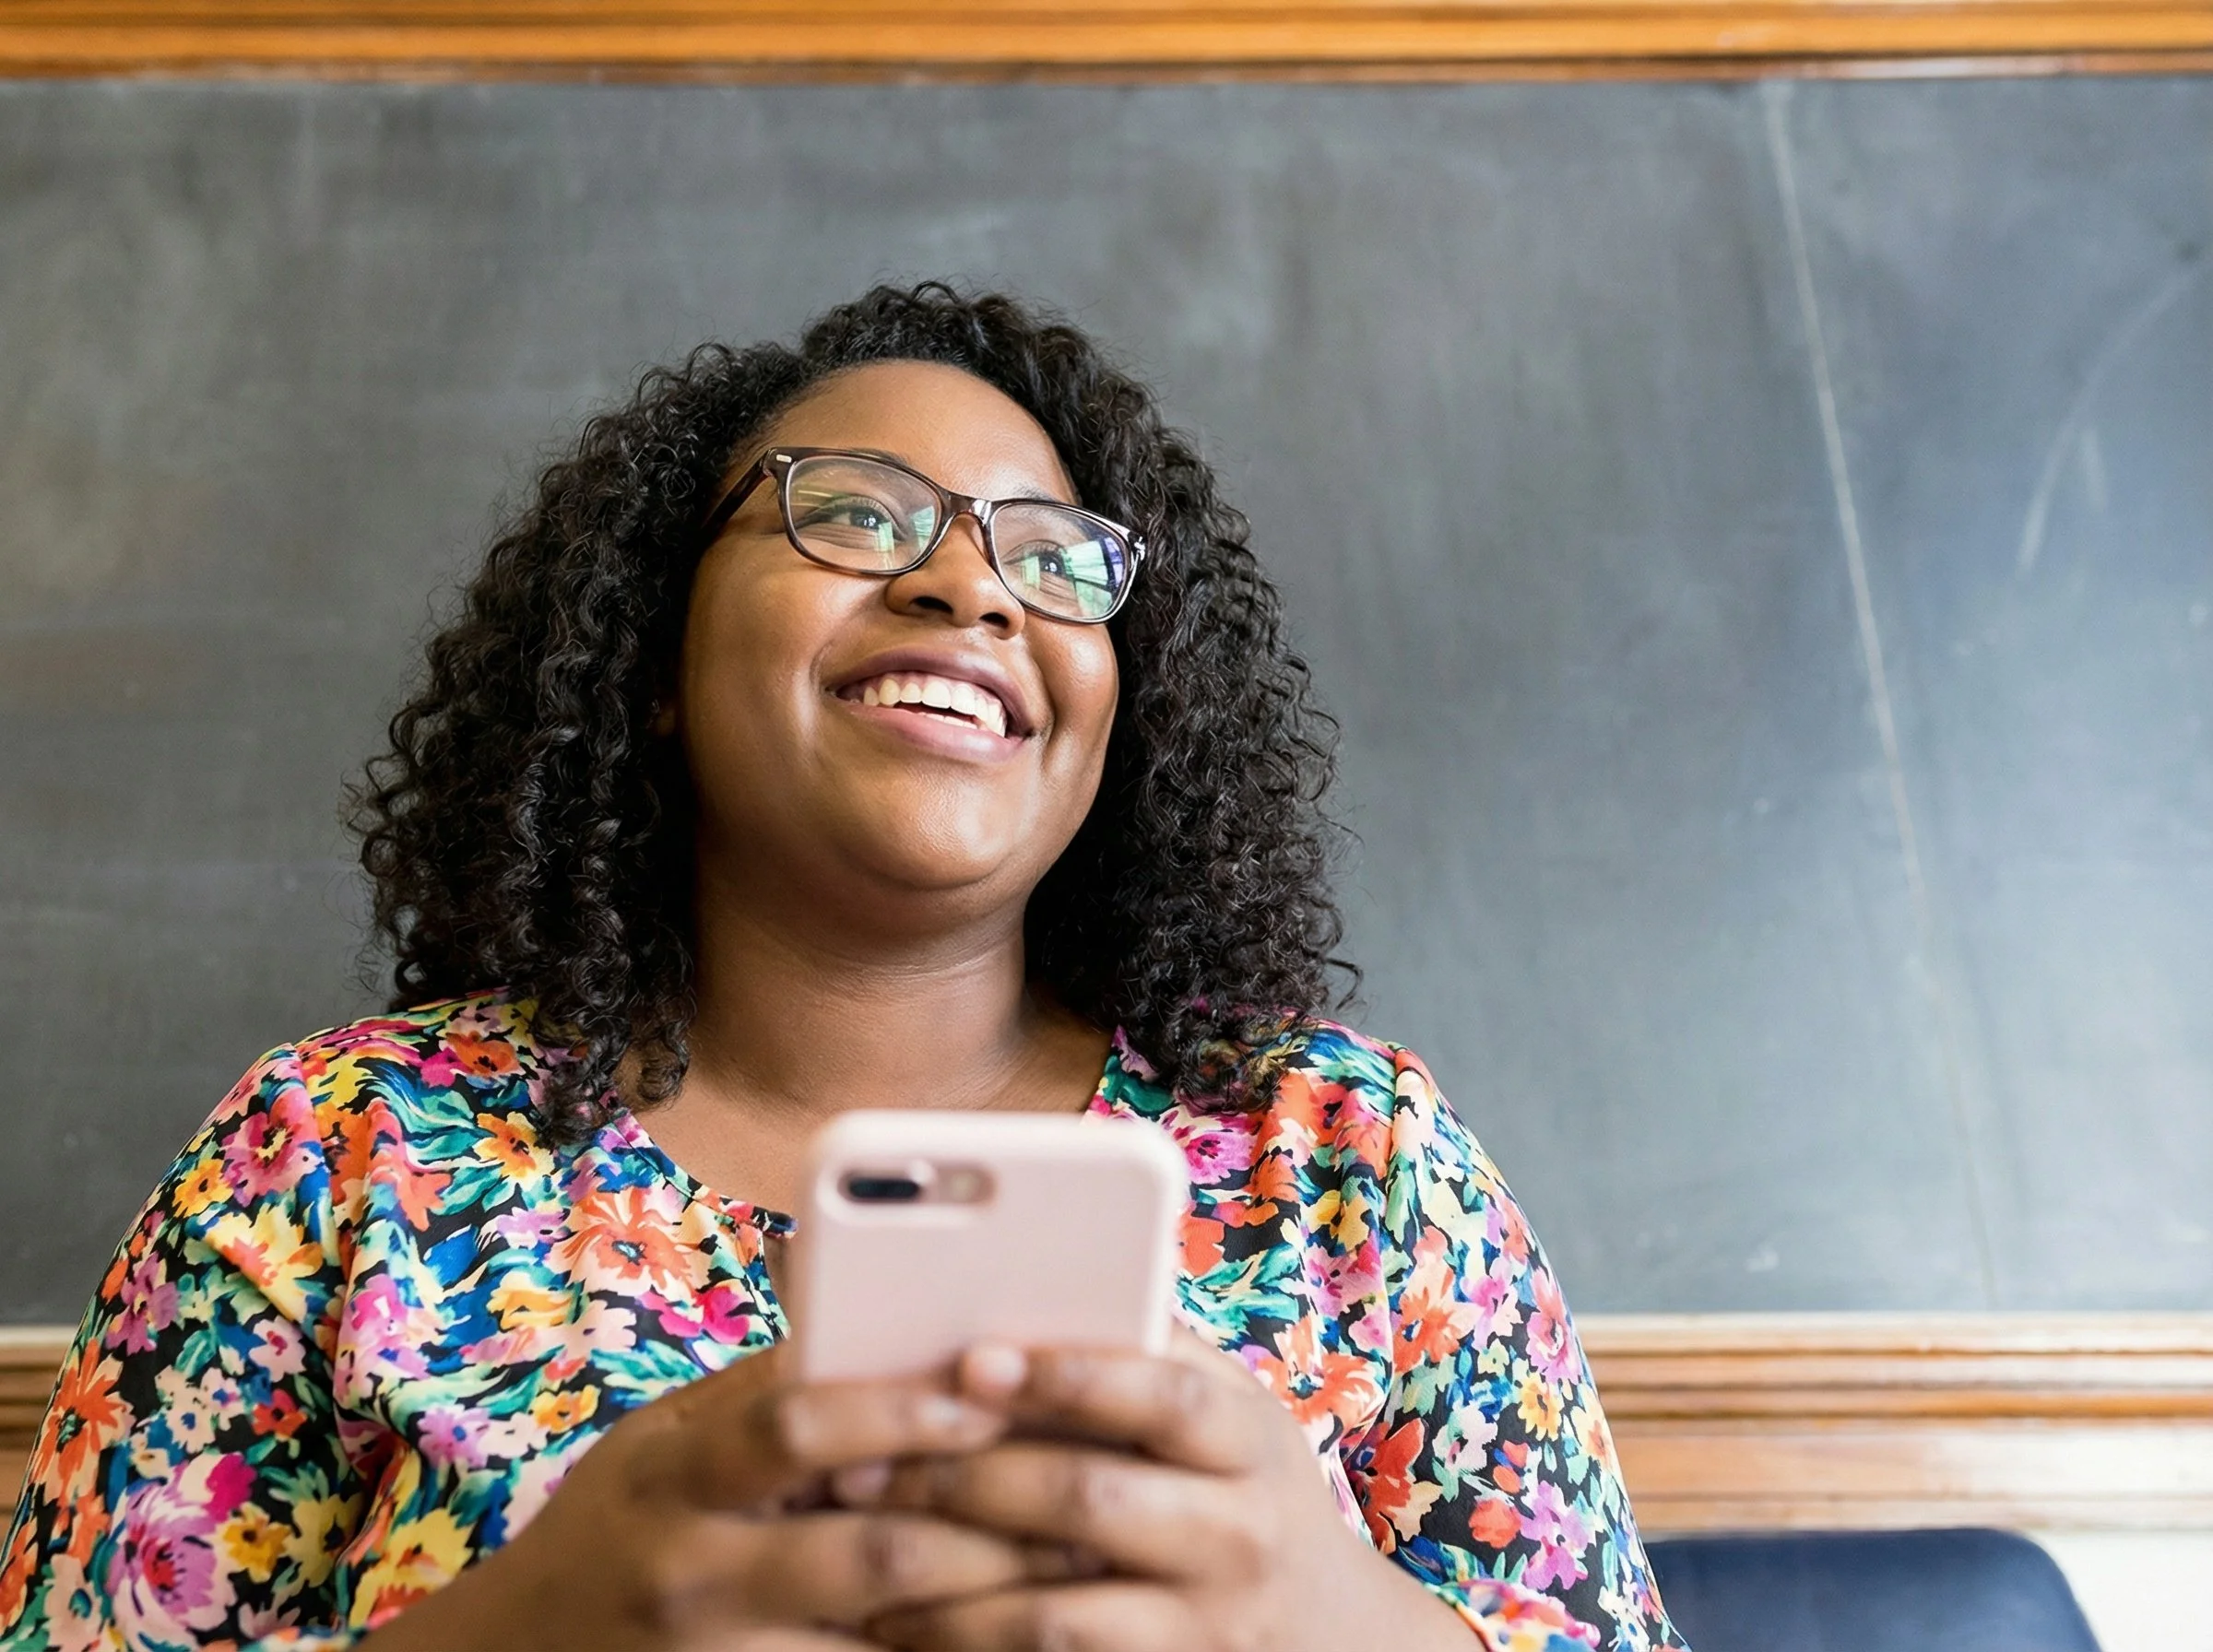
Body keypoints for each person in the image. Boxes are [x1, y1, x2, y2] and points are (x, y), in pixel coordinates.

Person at [0, 284, 1686, 1652]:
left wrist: (1336, 1631)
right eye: (857, 515)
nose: (966, 584)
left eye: (1053, 556)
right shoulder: (334, 1151)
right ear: (652, 659)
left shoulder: (1350, 1165)